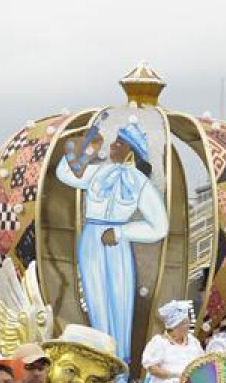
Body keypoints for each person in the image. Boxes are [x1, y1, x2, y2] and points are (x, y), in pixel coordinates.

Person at [52, 123, 168, 355]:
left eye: (119, 143)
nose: (113, 146)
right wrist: (87, 149)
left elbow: (160, 226)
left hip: (117, 244)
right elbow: (64, 173)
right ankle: (101, 357)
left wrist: (122, 232)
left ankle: (121, 363)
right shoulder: (99, 171)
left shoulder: (140, 183)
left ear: (131, 151)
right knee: (96, 299)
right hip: (91, 241)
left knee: (120, 301)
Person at [138, 299, 204, 383]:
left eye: (187, 322)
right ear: (175, 325)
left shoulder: (192, 342)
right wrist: (176, 375)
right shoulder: (160, 342)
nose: (188, 325)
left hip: (192, 380)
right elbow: (152, 368)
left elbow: (202, 362)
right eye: (185, 323)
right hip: (167, 381)